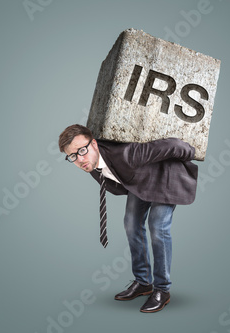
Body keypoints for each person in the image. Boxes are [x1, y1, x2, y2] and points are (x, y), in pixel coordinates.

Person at [58, 124, 198, 313]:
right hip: (140, 179)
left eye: (82, 150)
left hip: (165, 175)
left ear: (94, 144)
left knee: (157, 226)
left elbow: (172, 144)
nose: (80, 159)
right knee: (131, 224)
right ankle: (143, 282)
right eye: (72, 156)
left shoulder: (126, 154)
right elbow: (117, 184)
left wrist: (191, 152)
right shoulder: (90, 165)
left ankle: (162, 289)